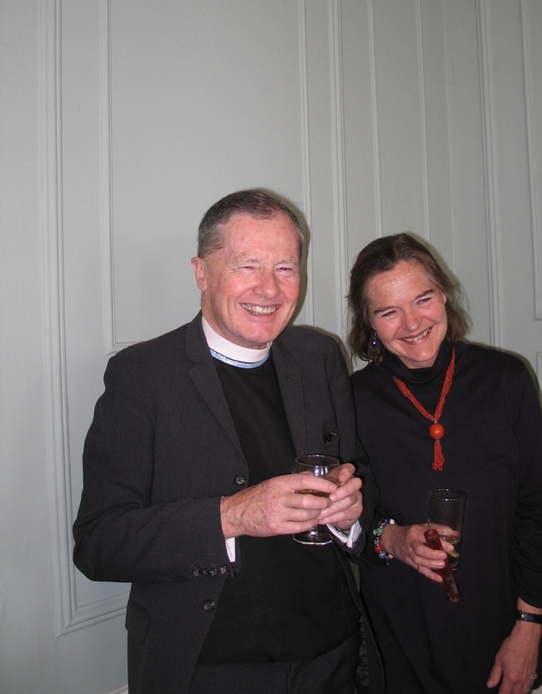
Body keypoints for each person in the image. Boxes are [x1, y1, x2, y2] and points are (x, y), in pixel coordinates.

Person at [73, 190, 381, 694]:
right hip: (211, 667)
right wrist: (233, 515)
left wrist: (351, 514)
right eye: (248, 266)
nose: (270, 288)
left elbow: (360, 475)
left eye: (286, 267)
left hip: (332, 655)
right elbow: (98, 543)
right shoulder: (142, 376)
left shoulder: (319, 356)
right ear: (201, 272)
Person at [347, 233, 542, 694]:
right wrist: (393, 537)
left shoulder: (507, 380)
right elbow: (349, 522)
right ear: (369, 323)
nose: (412, 323)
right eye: (388, 311)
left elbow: (538, 512)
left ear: (443, 293)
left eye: (423, 299)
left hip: (498, 629)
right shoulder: (350, 401)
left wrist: (528, 623)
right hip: (397, 640)